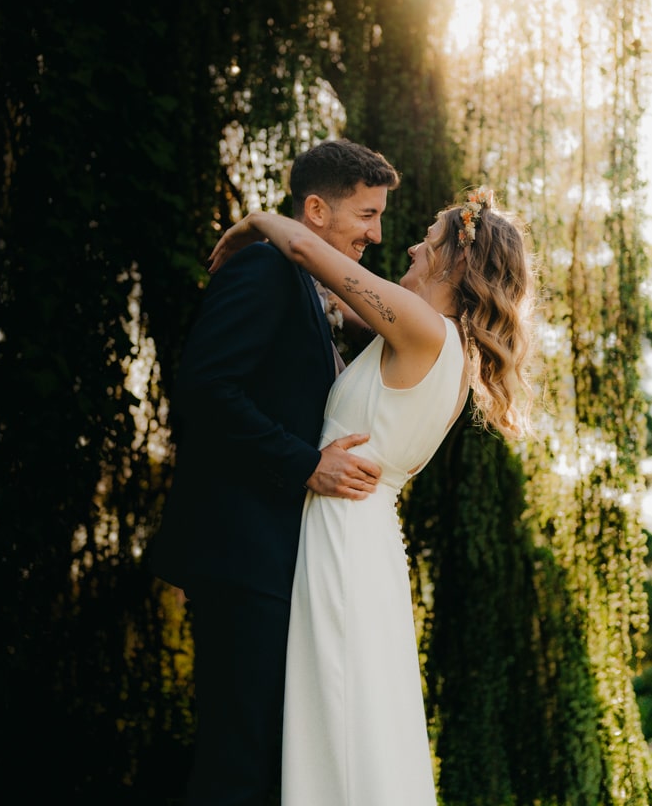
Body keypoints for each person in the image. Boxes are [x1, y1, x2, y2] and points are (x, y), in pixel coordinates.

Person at [208, 187, 536, 806]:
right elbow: (329, 302)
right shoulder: (442, 349)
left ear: (456, 263)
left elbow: (307, 249)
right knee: (350, 710)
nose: (410, 246)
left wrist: (253, 221)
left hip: (344, 534)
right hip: (362, 535)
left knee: (335, 704)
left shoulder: (421, 329)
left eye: (429, 239)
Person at [148, 139, 401, 806]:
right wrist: (305, 465)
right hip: (243, 555)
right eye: (366, 215)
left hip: (272, 558)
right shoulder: (262, 270)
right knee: (239, 756)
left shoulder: (302, 280)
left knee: (262, 755)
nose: (376, 233)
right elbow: (205, 388)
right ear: (315, 211)